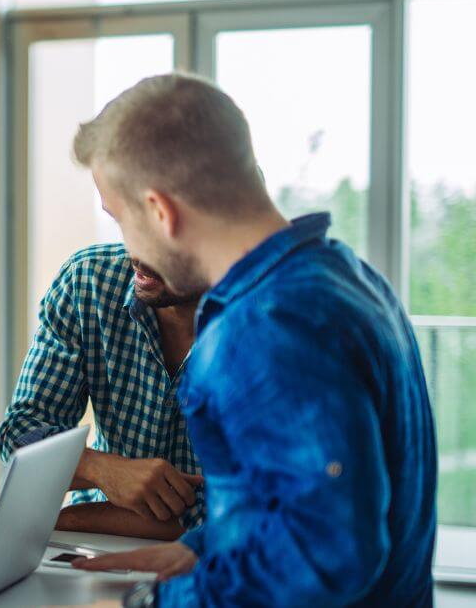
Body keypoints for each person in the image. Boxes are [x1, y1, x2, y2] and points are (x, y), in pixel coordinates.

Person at [67, 73, 436, 607]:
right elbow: (303, 502)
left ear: (161, 212)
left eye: (121, 219)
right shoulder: (349, 278)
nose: (127, 246)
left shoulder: (265, 328)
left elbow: (327, 556)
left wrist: (155, 601)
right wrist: (200, 550)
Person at [0, 242, 205, 540]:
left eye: (160, 236)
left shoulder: (264, 315)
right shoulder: (87, 280)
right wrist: (98, 468)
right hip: (93, 542)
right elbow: (19, 435)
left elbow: (244, 518)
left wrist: (67, 520)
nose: (138, 253)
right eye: (130, 224)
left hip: (222, 560)